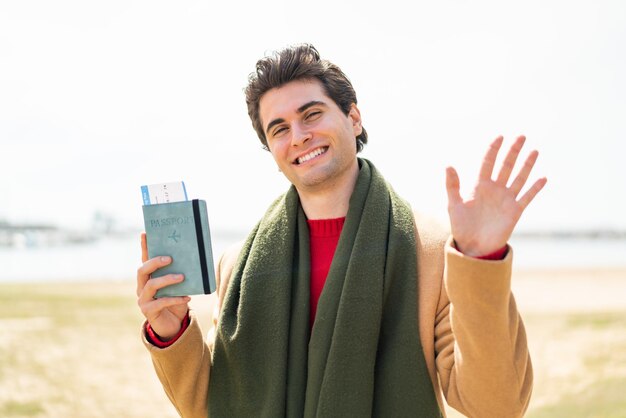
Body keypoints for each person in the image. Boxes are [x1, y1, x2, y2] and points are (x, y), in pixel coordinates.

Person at [136, 44, 546, 418]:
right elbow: (212, 406)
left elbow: (497, 406)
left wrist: (479, 262)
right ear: (271, 149)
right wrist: (171, 333)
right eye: (279, 129)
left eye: (311, 114)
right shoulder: (236, 266)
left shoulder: (432, 250)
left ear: (353, 117)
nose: (299, 136)